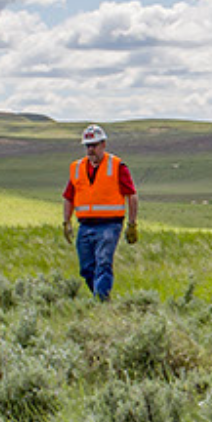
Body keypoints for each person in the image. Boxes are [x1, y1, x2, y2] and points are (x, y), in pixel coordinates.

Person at [62, 124, 138, 300]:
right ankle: (102, 298)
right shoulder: (77, 168)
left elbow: (132, 196)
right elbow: (69, 197)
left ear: (103, 144)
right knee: (86, 268)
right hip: (85, 226)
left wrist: (132, 224)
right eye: (87, 146)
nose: (90, 150)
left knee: (103, 263)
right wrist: (66, 222)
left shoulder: (118, 166)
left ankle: (100, 302)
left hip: (110, 225)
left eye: (94, 145)